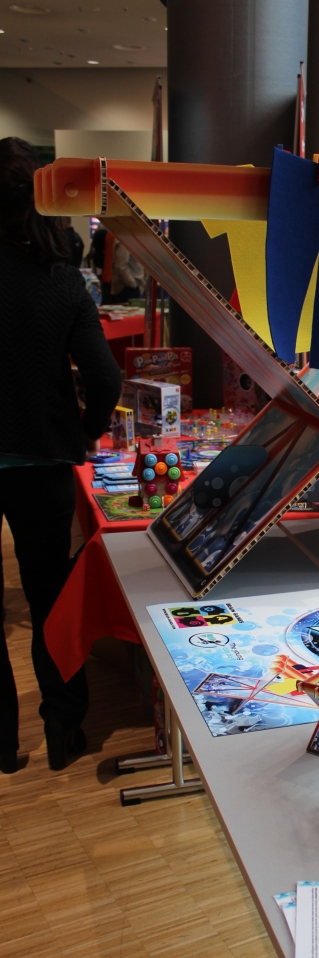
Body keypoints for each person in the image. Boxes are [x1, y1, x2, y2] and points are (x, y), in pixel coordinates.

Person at [0, 137, 122, 773]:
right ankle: (62, 726)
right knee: (49, 596)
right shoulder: (64, 282)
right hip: (43, 459)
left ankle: (2, 742)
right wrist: (87, 431)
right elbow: (105, 378)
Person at [110, 238, 147, 303]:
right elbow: (120, 267)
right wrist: (133, 284)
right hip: (127, 288)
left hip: (136, 286)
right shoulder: (125, 240)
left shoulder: (135, 240)